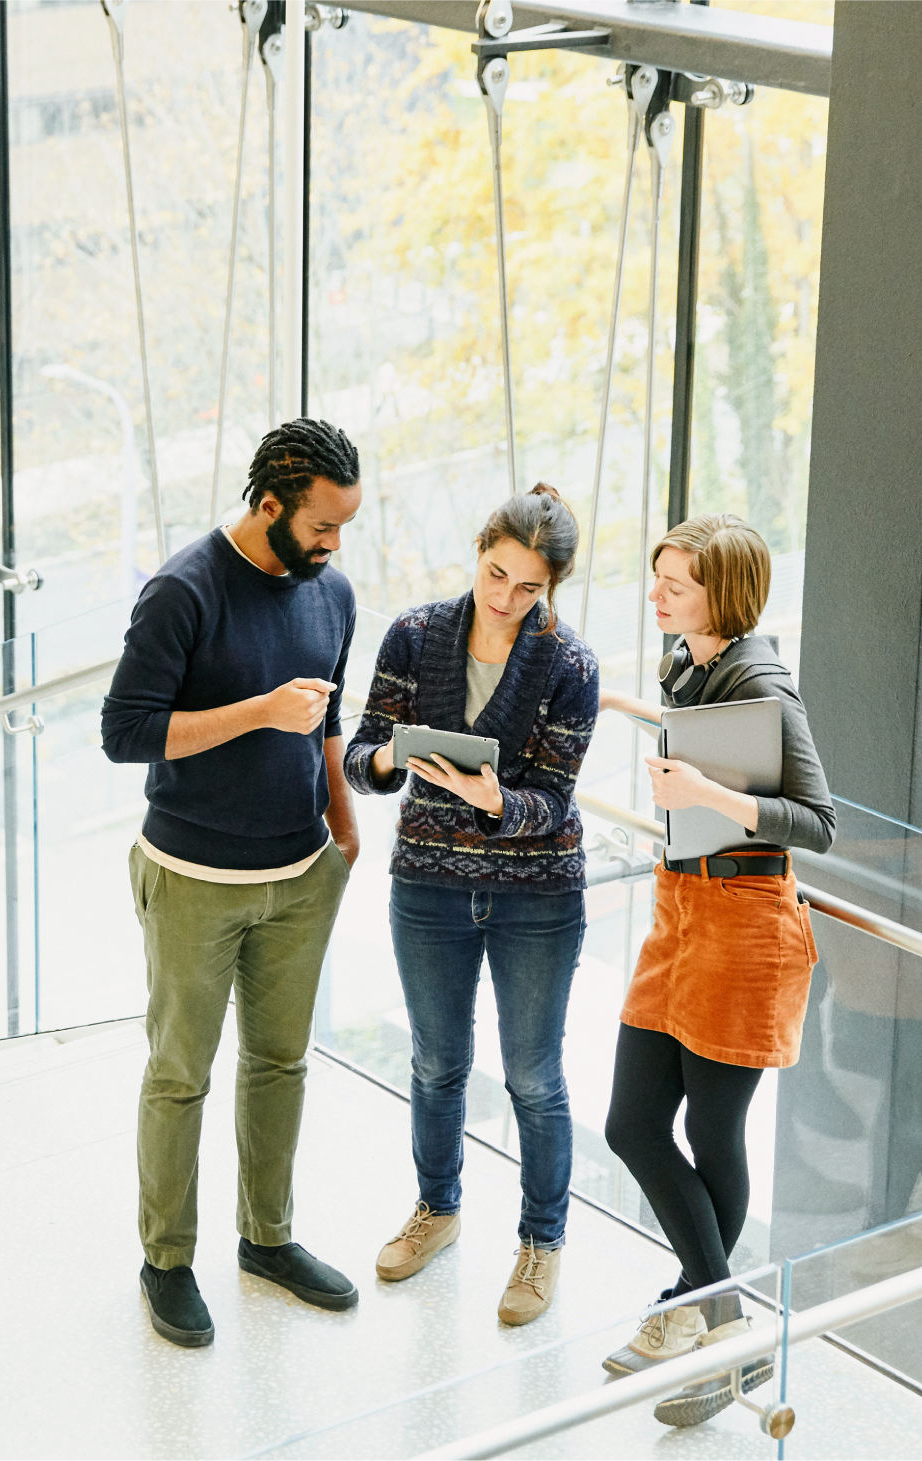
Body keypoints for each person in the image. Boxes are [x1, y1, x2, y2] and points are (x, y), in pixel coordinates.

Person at [101, 419, 363, 1348]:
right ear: (268, 506)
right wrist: (259, 711)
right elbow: (125, 733)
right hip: (192, 878)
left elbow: (328, 719)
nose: (335, 545)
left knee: (281, 1062)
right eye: (323, 526)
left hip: (301, 872)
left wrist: (342, 815)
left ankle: (269, 1238)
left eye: (344, 528)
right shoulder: (182, 590)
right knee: (180, 1074)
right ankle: (165, 1260)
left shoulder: (331, 592)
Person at [597, 513, 834, 1428]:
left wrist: (700, 793)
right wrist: (645, 716)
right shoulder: (688, 662)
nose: (655, 594)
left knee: (713, 1129)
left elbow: (815, 821)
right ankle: (715, 1307)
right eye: (656, 576)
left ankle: (702, 1313)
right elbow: (710, 736)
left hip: (742, 921)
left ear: (722, 595)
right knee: (630, 1122)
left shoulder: (761, 676)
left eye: (675, 584)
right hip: (683, 909)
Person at [344, 484, 599, 1327]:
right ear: (480, 549)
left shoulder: (571, 666)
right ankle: (437, 1210)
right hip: (428, 886)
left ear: (549, 588)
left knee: (532, 1075)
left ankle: (540, 1242)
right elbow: (360, 752)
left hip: (537, 896)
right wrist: (389, 766)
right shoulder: (416, 636)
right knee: (434, 1062)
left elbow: (556, 800)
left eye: (529, 587)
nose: (505, 597)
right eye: (496, 574)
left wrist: (497, 803)